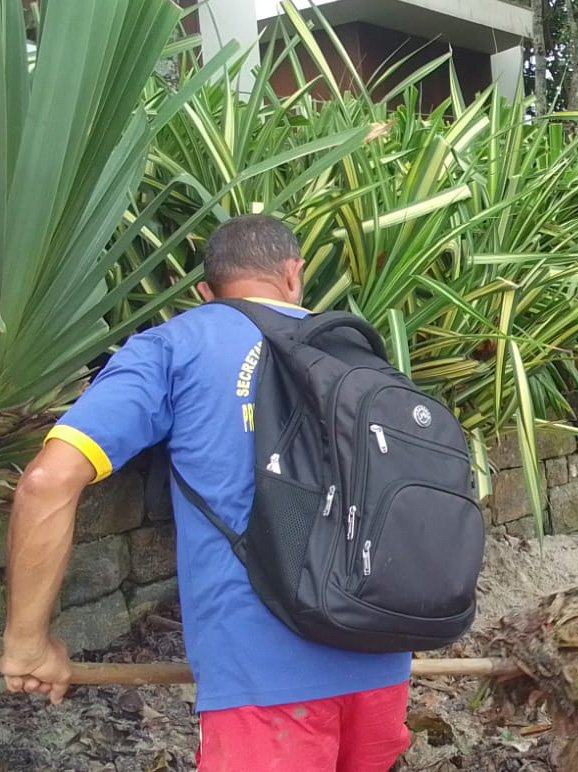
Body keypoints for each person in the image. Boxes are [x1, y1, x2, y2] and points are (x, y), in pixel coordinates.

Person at [2, 215, 413, 772]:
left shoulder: (174, 347)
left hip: (260, 683)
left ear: (205, 292)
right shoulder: (357, 352)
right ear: (294, 275)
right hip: (382, 656)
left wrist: (28, 644)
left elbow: (46, 482)